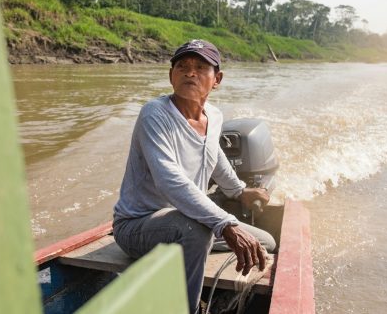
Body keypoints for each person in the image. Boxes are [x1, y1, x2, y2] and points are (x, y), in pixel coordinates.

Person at [112, 39, 276, 314]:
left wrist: (238, 190)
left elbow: (214, 156)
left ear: (217, 79)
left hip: (186, 221)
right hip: (137, 227)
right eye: (183, 67)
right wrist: (224, 224)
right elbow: (169, 180)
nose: (190, 73)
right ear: (171, 75)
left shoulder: (214, 115)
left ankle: (189, 261)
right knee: (197, 231)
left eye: (200, 67)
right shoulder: (155, 114)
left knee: (264, 243)